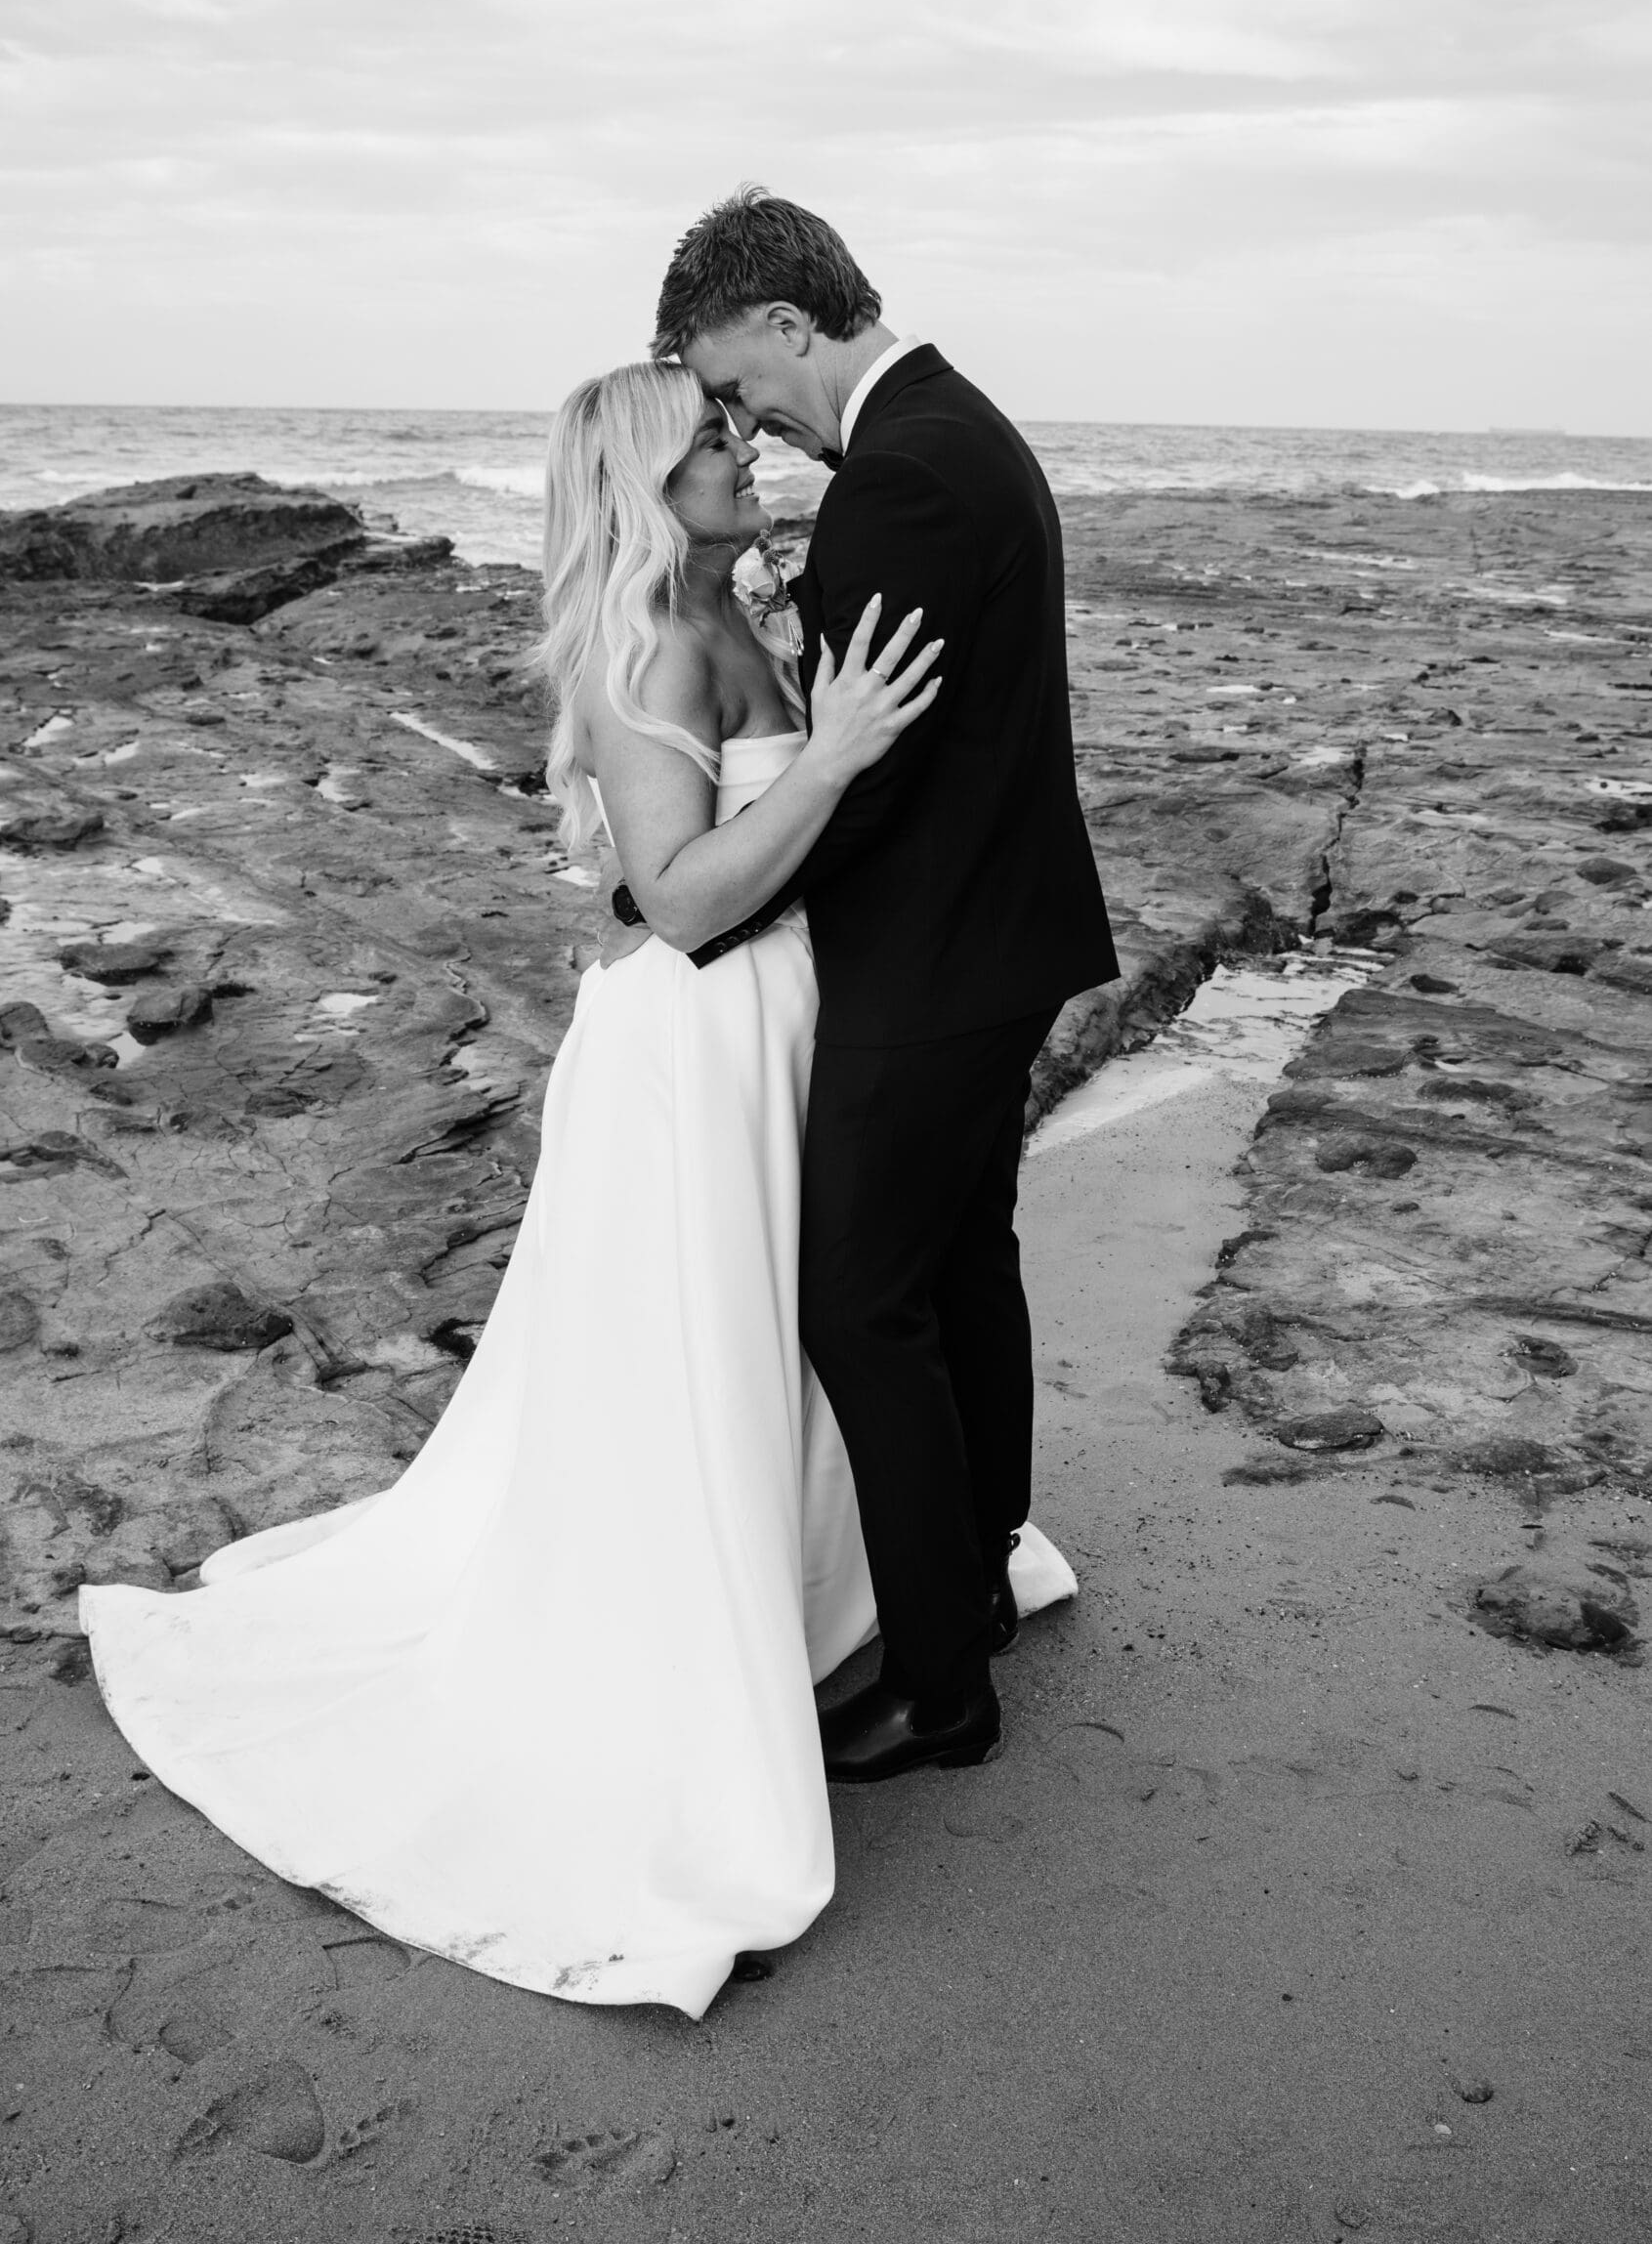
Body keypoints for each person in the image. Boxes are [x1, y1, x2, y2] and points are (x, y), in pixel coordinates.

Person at [78, 362, 1071, 2020]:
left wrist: (822, 745)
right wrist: (824, 764)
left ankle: (838, 1593)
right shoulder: (646, 652)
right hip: (700, 1045)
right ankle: (697, 1645)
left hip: (795, 1022)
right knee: (697, 1357)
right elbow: (679, 905)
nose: (741, 452)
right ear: (640, 486)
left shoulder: (739, 605)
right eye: (708, 443)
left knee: (791, 1333)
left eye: (737, 427)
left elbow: (710, 856)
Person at [624, 188, 1120, 1782]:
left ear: (788, 321)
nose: (751, 420)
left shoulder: (901, 477)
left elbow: (871, 773)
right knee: (965, 1263)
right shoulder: (962, 427)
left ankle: (940, 1685)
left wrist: (728, 909)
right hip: (1003, 937)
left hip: (928, 961)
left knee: (862, 1302)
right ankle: (974, 1574)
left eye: (744, 381)